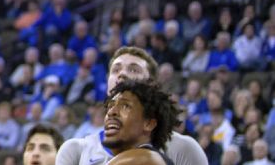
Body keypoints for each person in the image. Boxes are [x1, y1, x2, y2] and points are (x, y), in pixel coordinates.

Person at [56, 46, 206, 165]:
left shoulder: (183, 148)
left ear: (152, 85)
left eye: (134, 69)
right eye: (116, 70)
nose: (122, 74)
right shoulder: (75, 150)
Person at [101, 81, 181, 165]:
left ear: (149, 123)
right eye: (110, 106)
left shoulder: (146, 159)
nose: (111, 112)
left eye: (125, 106)